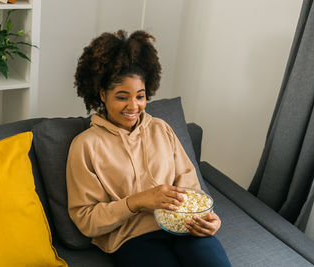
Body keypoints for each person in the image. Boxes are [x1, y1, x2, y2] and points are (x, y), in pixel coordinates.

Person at [67, 29, 231, 267]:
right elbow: (86, 220)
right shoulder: (85, 146)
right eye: (122, 97)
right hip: (132, 239)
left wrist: (209, 219)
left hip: (183, 229)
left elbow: (191, 189)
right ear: (102, 94)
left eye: (140, 96)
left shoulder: (161, 129)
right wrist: (136, 202)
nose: (133, 106)